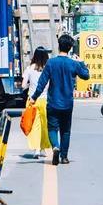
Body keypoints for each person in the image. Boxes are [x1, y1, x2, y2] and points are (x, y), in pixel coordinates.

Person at [30, 34, 90, 166]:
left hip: (53, 103)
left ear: (59, 46)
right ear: (70, 48)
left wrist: (34, 97)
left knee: (52, 128)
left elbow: (42, 83)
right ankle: (64, 157)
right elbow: (86, 76)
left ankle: (55, 147)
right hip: (67, 104)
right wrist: (81, 63)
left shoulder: (51, 63)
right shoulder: (73, 64)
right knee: (66, 130)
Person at [21, 48, 51, 159]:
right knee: (45, 124)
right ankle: (43, 148)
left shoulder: (29, 68)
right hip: (46, 100)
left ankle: (37, 149)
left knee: (34, 125)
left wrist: (31, 85)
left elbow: (23, 85)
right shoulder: (48, 69)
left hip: (32, 100)